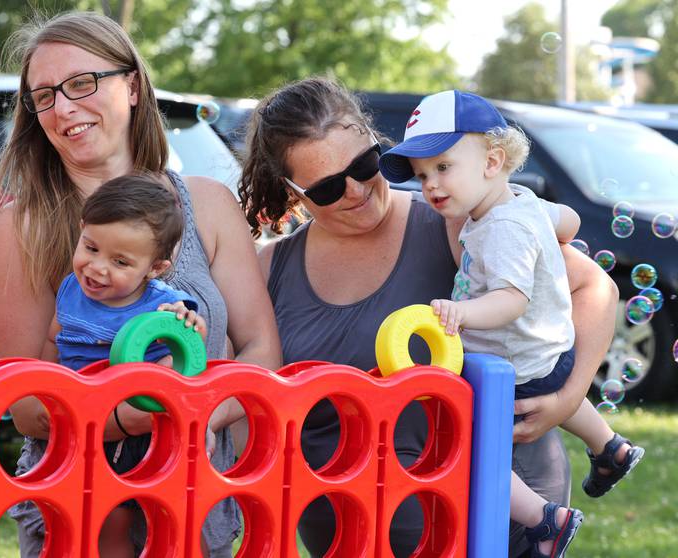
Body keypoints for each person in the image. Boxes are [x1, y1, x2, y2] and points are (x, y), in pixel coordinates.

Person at [238, 77, 619, 557]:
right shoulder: (270, 268)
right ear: (292, 192)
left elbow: (595, 288)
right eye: (330, 187)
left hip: (495, 513)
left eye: (364, 164)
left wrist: (568, 397)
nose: (356, 190)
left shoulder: (459, 221)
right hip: (346, 534)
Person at [0, 11, 281, 557]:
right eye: (43, 95)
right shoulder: (19, 227)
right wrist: (128, 416)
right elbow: (26, 407)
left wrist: (195, 414)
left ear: (133, 85)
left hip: (197, 502)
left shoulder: (207, 204)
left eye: (81, 83)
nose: (63, 108)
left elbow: (263, 350)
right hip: (80, 508)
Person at [378, 89, 645, 558]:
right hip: (548, 355)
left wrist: (461, 313)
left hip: (516, 368)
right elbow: (572, 221)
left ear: (492, 160)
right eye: (421, 176)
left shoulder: (500, 229)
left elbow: (511, 300)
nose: (431, 186)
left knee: (472, 450)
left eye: (443, 167)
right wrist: (550, 229)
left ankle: (545, 520)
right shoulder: (522, 201)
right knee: (550, 377)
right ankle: (611, 447)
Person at [40, 174, 213, 556]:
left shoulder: (162, 304)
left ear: (154, 268)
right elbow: (56, 338)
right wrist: (48, 389)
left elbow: (190, 340)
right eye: (91, 248)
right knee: (109, 519)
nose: (97, 268)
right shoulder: (71, 286)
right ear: (82, 229)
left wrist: (187, 324)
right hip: (91, 426)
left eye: (120, 262)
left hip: (149, 431)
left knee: (178, 516)